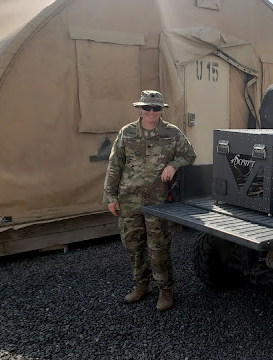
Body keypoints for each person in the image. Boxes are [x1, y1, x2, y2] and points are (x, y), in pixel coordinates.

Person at [103, 90, 196, 311]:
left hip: (158, 200)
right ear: (140, 109)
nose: (151, 112)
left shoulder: (172, 134)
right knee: (133, 245)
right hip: (129, 199)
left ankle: (165, 289)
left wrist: (174, 165)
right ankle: (142, 285)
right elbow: (115, 165)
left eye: (156, 108)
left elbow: (190, 155)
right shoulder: (127, 133)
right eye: (147, 108)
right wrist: (110, 196)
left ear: (162, 109)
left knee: (159, 246)